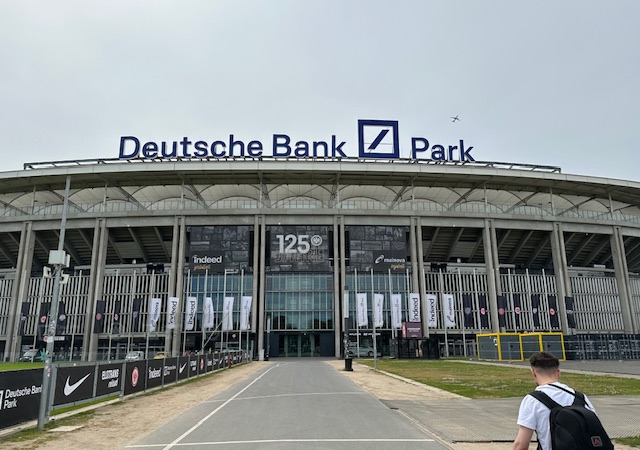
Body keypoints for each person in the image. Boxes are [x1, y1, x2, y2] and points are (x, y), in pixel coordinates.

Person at [512, 351, 597, 450]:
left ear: (533, 373)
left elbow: (521, 445)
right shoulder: (581, 398)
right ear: (558, 372)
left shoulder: (532, 400)